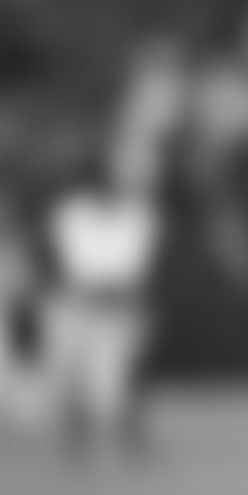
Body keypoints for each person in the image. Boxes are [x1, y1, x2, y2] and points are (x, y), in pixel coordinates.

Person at [46, 156, 161, 464]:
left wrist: (118, 291)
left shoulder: (137, 215)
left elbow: (135, 265)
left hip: (119, 307)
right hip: (77, 304)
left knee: (121, 380)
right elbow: (73, 263)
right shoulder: (72, 213)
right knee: (73, 378)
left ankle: (131, 440)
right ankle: (76, 444)